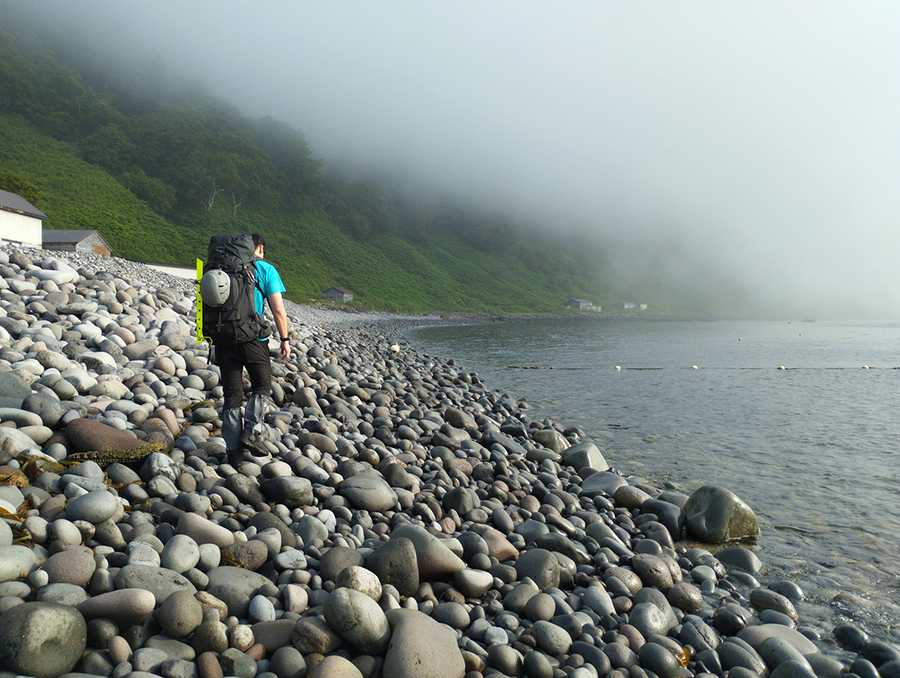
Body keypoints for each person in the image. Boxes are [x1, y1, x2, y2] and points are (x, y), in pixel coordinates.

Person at [217, 233, 291, 464]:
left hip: (223, 339)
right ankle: (251, 432)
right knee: (262, 386)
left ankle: (233, 453)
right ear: (259, 248)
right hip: (252, 340)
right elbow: (278, 310)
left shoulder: (219, 268)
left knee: (231, 395)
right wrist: (285, 340)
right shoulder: (266, 269)